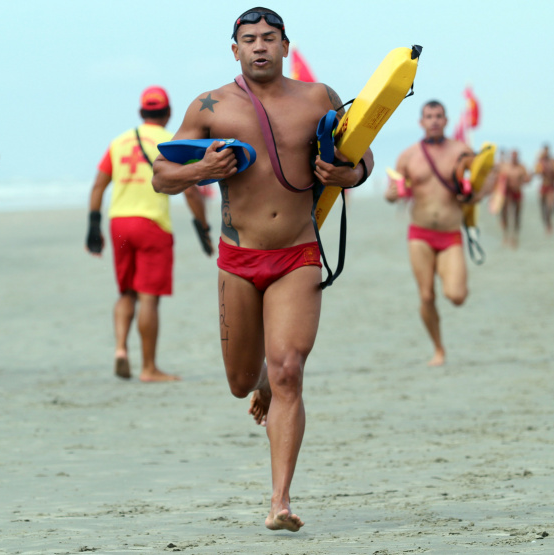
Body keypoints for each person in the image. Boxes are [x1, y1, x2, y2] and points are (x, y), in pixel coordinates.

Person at [151, 7, 373, 532]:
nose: (259, 47)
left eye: (268, 38)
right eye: (248, 39)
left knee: (290, 368)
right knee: (239, 382)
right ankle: (262, 386)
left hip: (298, 253)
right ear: (235, 50)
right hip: (239, 256)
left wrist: (348, 173)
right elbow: (162, 176)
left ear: (285, 45)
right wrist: (202, 170)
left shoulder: (318, 97)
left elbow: (362, 160)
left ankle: (280, 501)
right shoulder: (211, 105)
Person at [85, 86, 212, 383]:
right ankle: (149, 368)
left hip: (119, 225)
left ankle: (119, 350)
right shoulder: (171, 142)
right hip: (152, 225)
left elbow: (98, 186)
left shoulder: (119, 142)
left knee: (126, 292)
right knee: (149, 298)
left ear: (141, 112)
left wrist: (93, 224)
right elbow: (191, 190)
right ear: (168, 113)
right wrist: (203, 228)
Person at [385, 100, 488, 367]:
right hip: (419, 234)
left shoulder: (462, 151)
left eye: (438, 116)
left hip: (450, 233)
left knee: (456, 296)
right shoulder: (408, 156)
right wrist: (391, 194)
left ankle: (447, 273)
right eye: (428, 116)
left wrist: (473, 194)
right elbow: (392, 191)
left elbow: (484, 181)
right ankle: (439, 348)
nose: (433, 120)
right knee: (426, 295)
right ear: (421, 122)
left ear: (446, 120)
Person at [497, 149, 530, 248]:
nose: (514, 158)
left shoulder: (521, 167)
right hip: (507, 194)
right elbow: (497, 176)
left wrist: (525, 179)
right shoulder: (505, 166)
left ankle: (515, 237)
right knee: (505, 214)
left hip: (517, 193)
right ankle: (505, 235)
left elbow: (527, 179)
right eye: (513, 156)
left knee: (517, 216)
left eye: (516, 156)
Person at [534, 144, 554, 235]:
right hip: (544, 186)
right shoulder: (540, 162)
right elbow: (537, 173)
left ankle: (549, 224)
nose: (546, 152)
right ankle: (546, 223)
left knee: (550, 207)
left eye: (547, 150)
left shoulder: (553, 162)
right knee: (542, 207)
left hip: (551, 186)